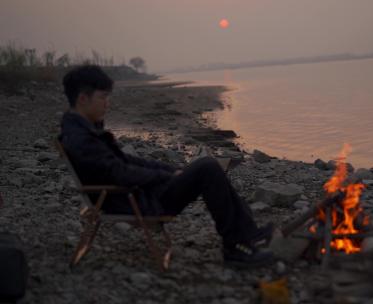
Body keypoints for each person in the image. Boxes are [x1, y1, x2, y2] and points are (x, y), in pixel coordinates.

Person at [59, 65, 273, 267]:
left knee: (207, 166)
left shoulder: (84, 131)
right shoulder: (81, 139)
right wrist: (166, 178)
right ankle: (235, 247)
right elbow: (121, 173)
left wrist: (170, 171)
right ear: (83, 99)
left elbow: (126, 161)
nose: (107, 103)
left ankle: (247, 234)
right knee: (208, 167)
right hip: (136, 200)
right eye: (103, 97)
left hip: (138, 194)